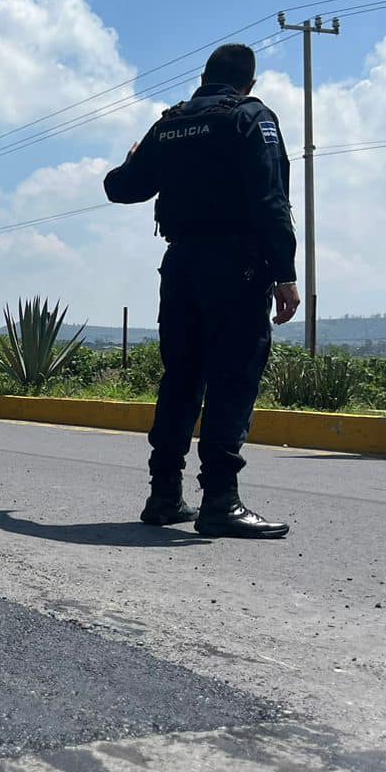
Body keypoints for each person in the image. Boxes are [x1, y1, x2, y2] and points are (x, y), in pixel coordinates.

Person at [103, 43, 301, 538]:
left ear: (204, 77)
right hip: (236, 267)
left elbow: (121, 188)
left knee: (182, 377)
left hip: (181, 265)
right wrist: (285, 273)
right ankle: (220, 501)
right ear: (248, 83)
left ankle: (164, 495)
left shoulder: (168, 123)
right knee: (232, 377)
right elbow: (271, 197)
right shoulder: (251, 118)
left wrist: (130, 160)